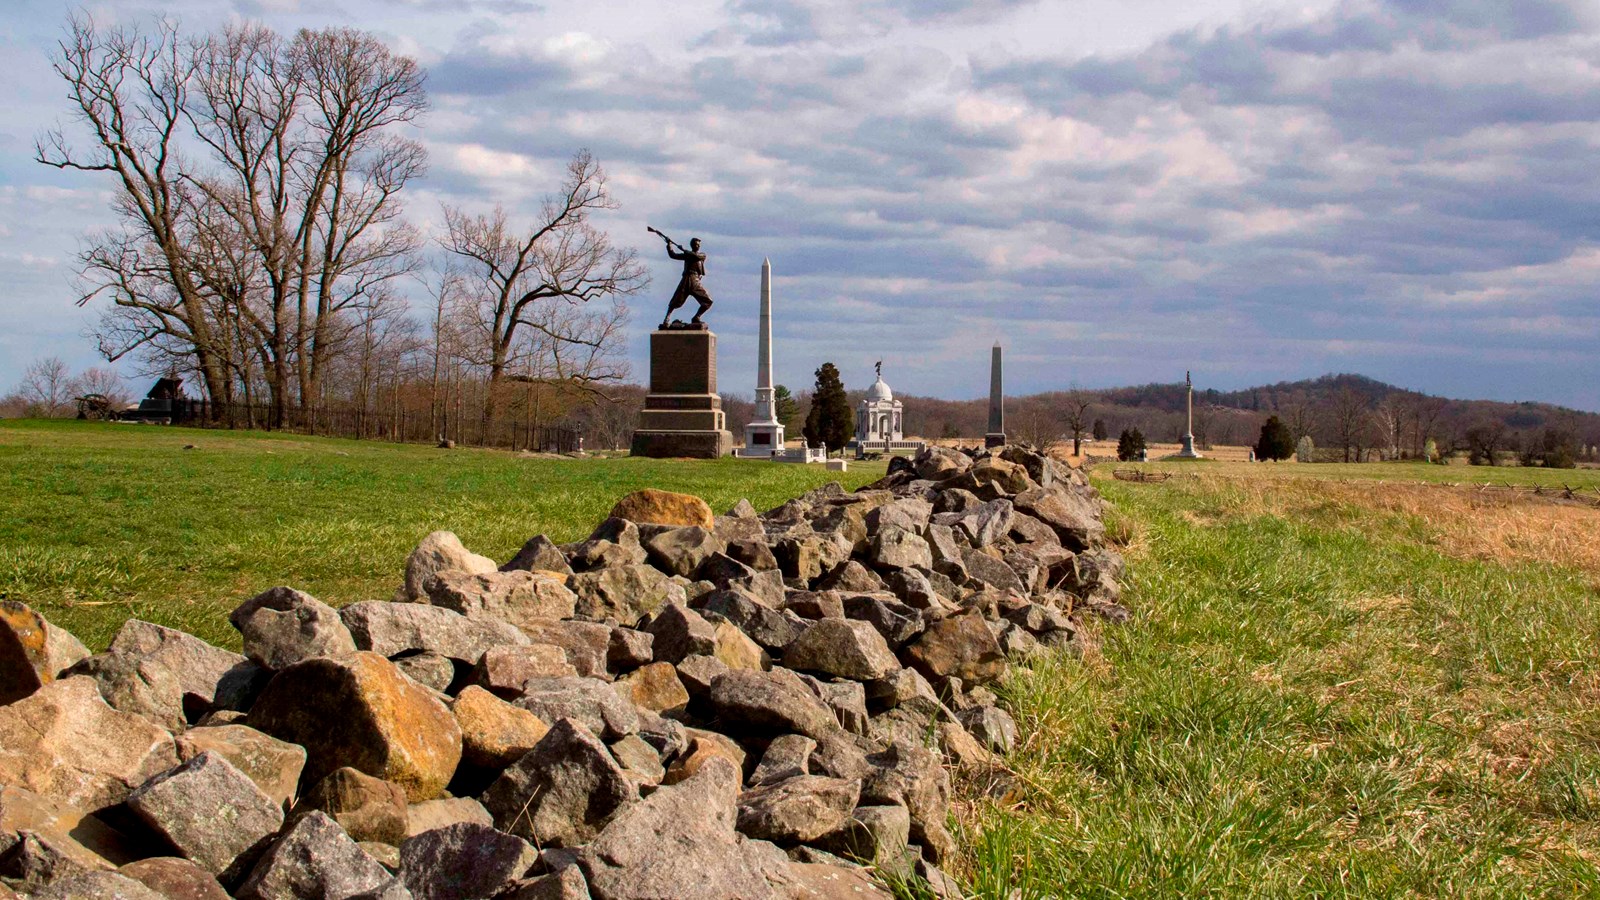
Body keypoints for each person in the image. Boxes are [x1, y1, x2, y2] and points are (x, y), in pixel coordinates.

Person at [659, 234, 713, 327]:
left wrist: (684, 250)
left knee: (708, 301)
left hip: (696, 281)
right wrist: (669, 245)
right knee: (676, 300)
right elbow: (673, 255)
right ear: (692, 245)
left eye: (699, 245)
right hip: (687, 279)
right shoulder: (687, 255)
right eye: (696, 244)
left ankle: (696, 317)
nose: (698, 246)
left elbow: (696, 256)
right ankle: (667, 318)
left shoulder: (701, 255)